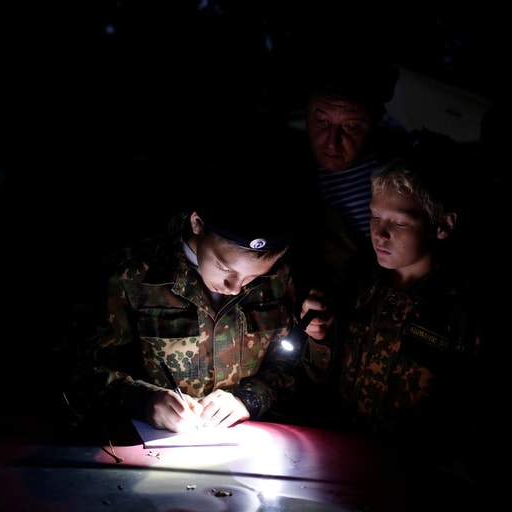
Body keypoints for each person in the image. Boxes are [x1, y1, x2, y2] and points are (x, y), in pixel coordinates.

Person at [62, 145, 304, 435]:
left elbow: (292, 361)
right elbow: (76, 369)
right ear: (197, 223)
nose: (236, 287)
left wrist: (250, 398)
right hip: (142, 445)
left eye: (254, 276)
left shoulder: (279, 276)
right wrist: (143, 401)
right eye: (225, 268)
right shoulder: (133, 274)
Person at [294, 130, 485, 495]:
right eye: (374, 216)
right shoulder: (352, 284)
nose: (379, 234)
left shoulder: (465, 312)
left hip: (414, 482)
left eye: (398, 222)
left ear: (443, 225)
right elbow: (315, 382)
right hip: (337, 467)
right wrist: (318, 338)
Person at [287, 52, 410, 307]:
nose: (332, 142)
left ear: (377, 121)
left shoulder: (405, 176)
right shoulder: (286, 166)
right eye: (321, 121)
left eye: (351, 126)